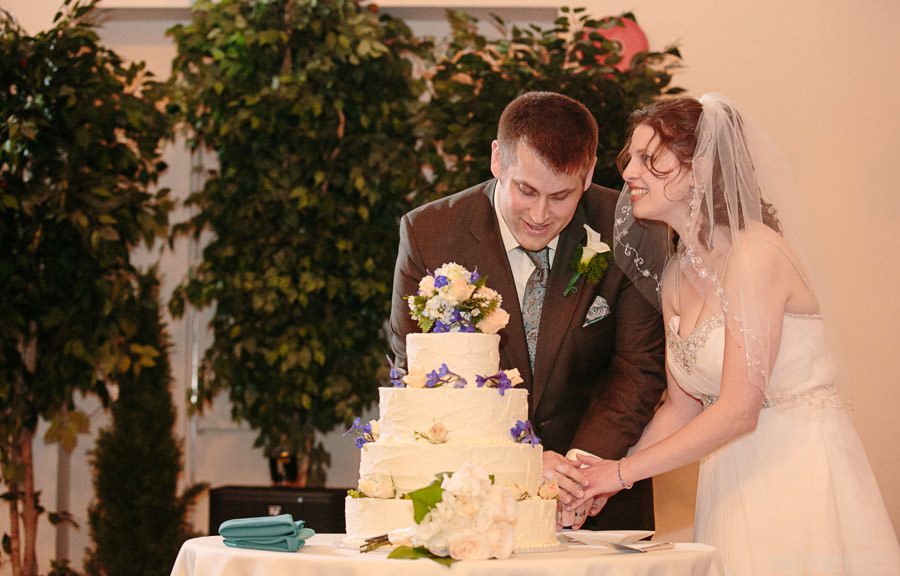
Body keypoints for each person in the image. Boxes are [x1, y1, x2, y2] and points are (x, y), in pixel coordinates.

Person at [565, 93, 900, 574]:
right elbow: (682, 408)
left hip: (796, 472)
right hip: (727, 478)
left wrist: (621, 471)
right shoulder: (677, 273)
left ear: (700, 169)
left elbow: (741, 408)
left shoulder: (756, 255)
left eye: (648, 158)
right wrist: (609, 478)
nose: (629, 174)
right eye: (631, 158)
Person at [389, 91, 666, 530]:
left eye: (561, 196)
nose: (540, 214)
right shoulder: (430, 234)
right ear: (498, 160)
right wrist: (521, 460)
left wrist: (580, 472)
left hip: (593, 502)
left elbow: (639, 367)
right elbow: (419, 376)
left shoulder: (629, 226)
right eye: (526, 190)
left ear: (589, 173)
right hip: (473, 494)